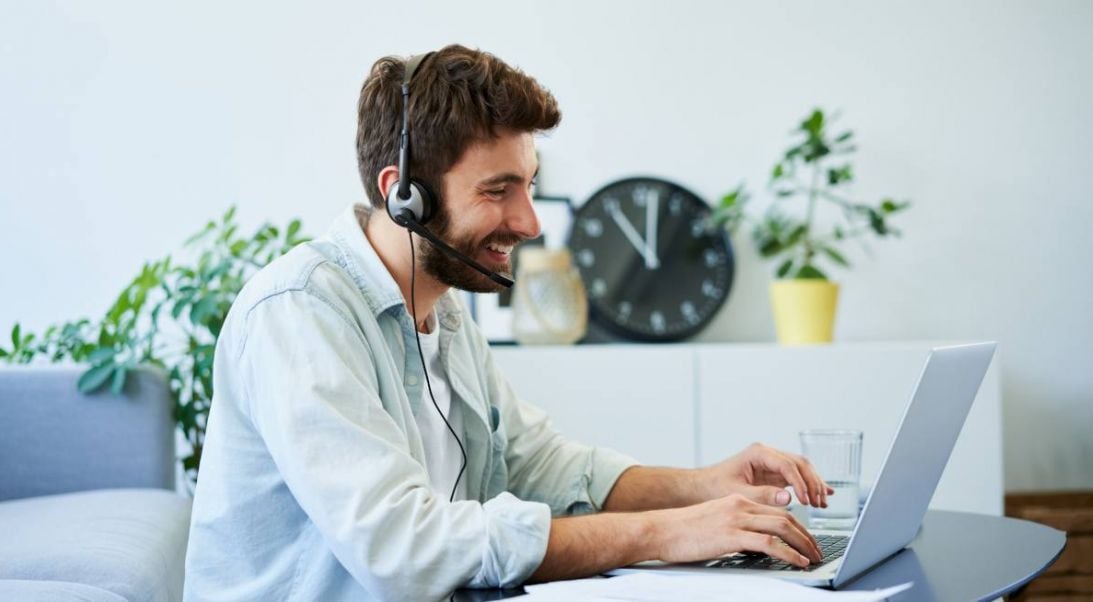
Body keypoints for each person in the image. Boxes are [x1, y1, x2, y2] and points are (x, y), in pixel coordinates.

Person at [183, 44, 833, 601]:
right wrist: (665, 532)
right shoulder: (300, 312)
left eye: (529, 184)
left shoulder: (444, 311)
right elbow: (405, 550)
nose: (530, 222)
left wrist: (703, 488)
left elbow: (543, 467)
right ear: (403, 195)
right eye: (499, 190)